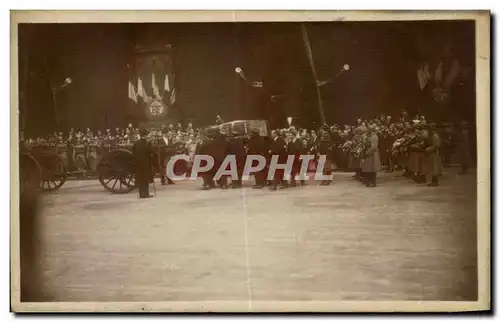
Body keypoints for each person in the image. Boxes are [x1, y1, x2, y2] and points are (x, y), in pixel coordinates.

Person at [132, 127, 154, 198]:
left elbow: (133, 154)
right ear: (145, 136)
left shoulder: (136, 143)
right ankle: (146, 194)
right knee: (145, 179)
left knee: (140, 179)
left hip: (138, 165)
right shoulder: (147, 144)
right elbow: (151, 152)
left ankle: (141, 194)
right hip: (146, 164)